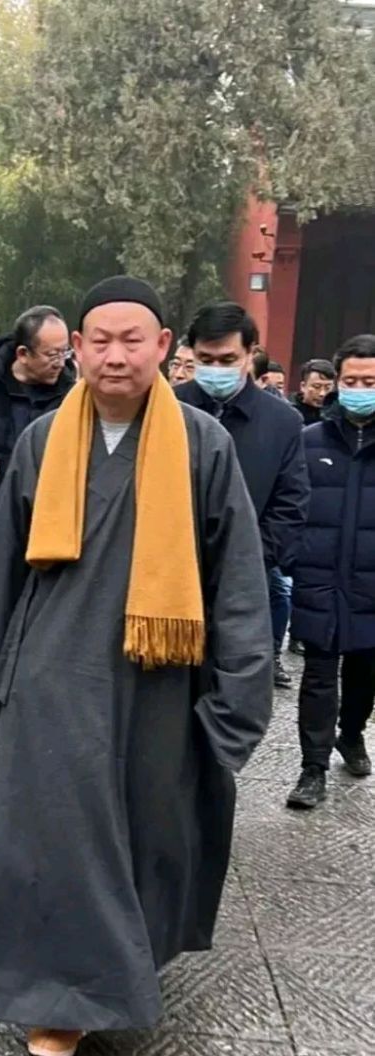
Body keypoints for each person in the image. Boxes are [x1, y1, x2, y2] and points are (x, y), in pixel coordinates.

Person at [0, 275, 272, 1056]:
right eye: (99, 339)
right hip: (50, 679)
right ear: (76, 349)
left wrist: (233, 706)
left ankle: (117, 972)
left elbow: (238, 584)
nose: (114, 354)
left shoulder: (201, 443)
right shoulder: (41, 441)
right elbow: (3, 582)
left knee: (148, 837)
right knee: (49, 841)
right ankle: (59, 999)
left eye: (133, 340)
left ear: (163, 348)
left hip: (157, 682)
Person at [176, 302, 309, 691]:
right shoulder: (167, 408)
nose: (216, 369)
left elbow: (290, 506)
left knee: (232, 690)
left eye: (228, 359)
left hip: (246, 582)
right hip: (171, 576)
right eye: (206, 359)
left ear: (251, 354)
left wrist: (247, 562)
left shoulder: (282, 421)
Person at [286, 334, 375, 810]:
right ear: (338, 383)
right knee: (319, 673)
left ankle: (353, 733)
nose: (360, 387)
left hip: (370, 581)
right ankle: (312, 768)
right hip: (318, 575)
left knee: (364, 672)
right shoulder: (309, 440)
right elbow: (291, 503)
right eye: (352, 379)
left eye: (371, 380)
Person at [0, 306, 74, 609]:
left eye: (65, 353)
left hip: (43, 544)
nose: (60, 363)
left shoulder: (74, 401)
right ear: (22, 353)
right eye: (51, 355)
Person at [291, 358, 336, 426]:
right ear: (303, 386)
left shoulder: (337, 416)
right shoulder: (290, 412)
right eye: (317, 387)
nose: (322, 394)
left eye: (327, 388)